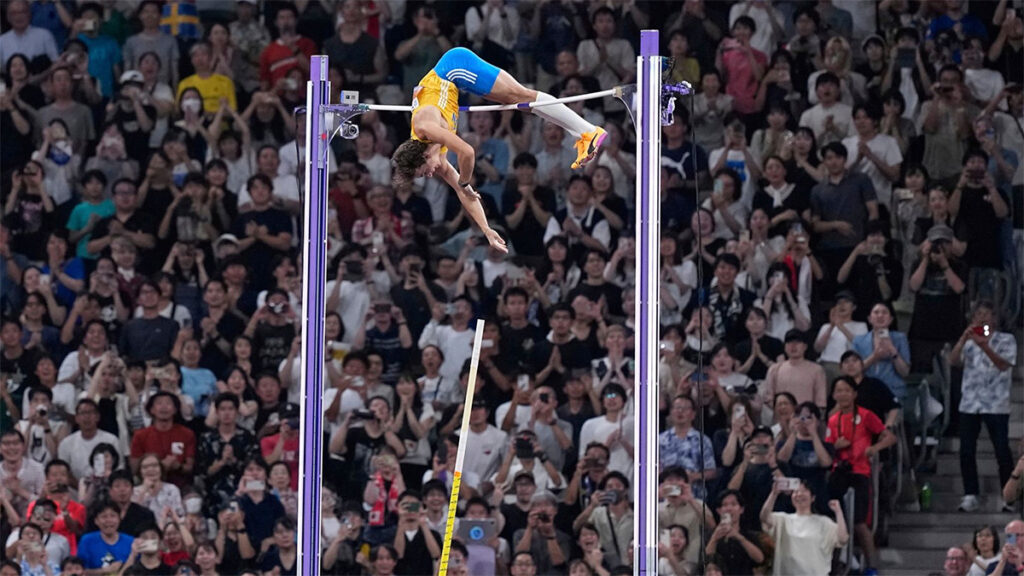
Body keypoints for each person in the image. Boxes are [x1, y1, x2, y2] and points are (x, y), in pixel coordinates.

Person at [391, 47, 610, 251]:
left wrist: (464, 182)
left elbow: (467, 153)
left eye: (424, 172)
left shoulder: (425, 127)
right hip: (456, 80)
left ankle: (588, 131)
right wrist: (486, 229)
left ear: (423, 155)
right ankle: (581, 132)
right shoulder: (434, 157)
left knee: (521, 96)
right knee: (523, 102)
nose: (430, 175)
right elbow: (464, 194)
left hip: (454, 68)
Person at [949, 300, 1017, 513]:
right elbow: (953, 361)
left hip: (996, 403)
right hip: (970, 403)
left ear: (995, 319)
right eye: (979, 314)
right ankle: (970, 494)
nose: (983, 318)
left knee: (1002, 450)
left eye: (987, 314)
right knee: (966, 450)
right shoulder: (969, 342)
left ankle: (1008, 496)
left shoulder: (1006, 340)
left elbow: (1003, 365)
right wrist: (963, 339)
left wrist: (984, 345)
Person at [760, 478, 848, 576]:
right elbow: (764, 518)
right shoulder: (783, 519)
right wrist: (774, 494)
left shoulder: (824, 522)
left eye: (804, 491)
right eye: (796, 492)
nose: (799, 494)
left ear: (813, 498)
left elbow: (843, 538)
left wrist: (838, 512)